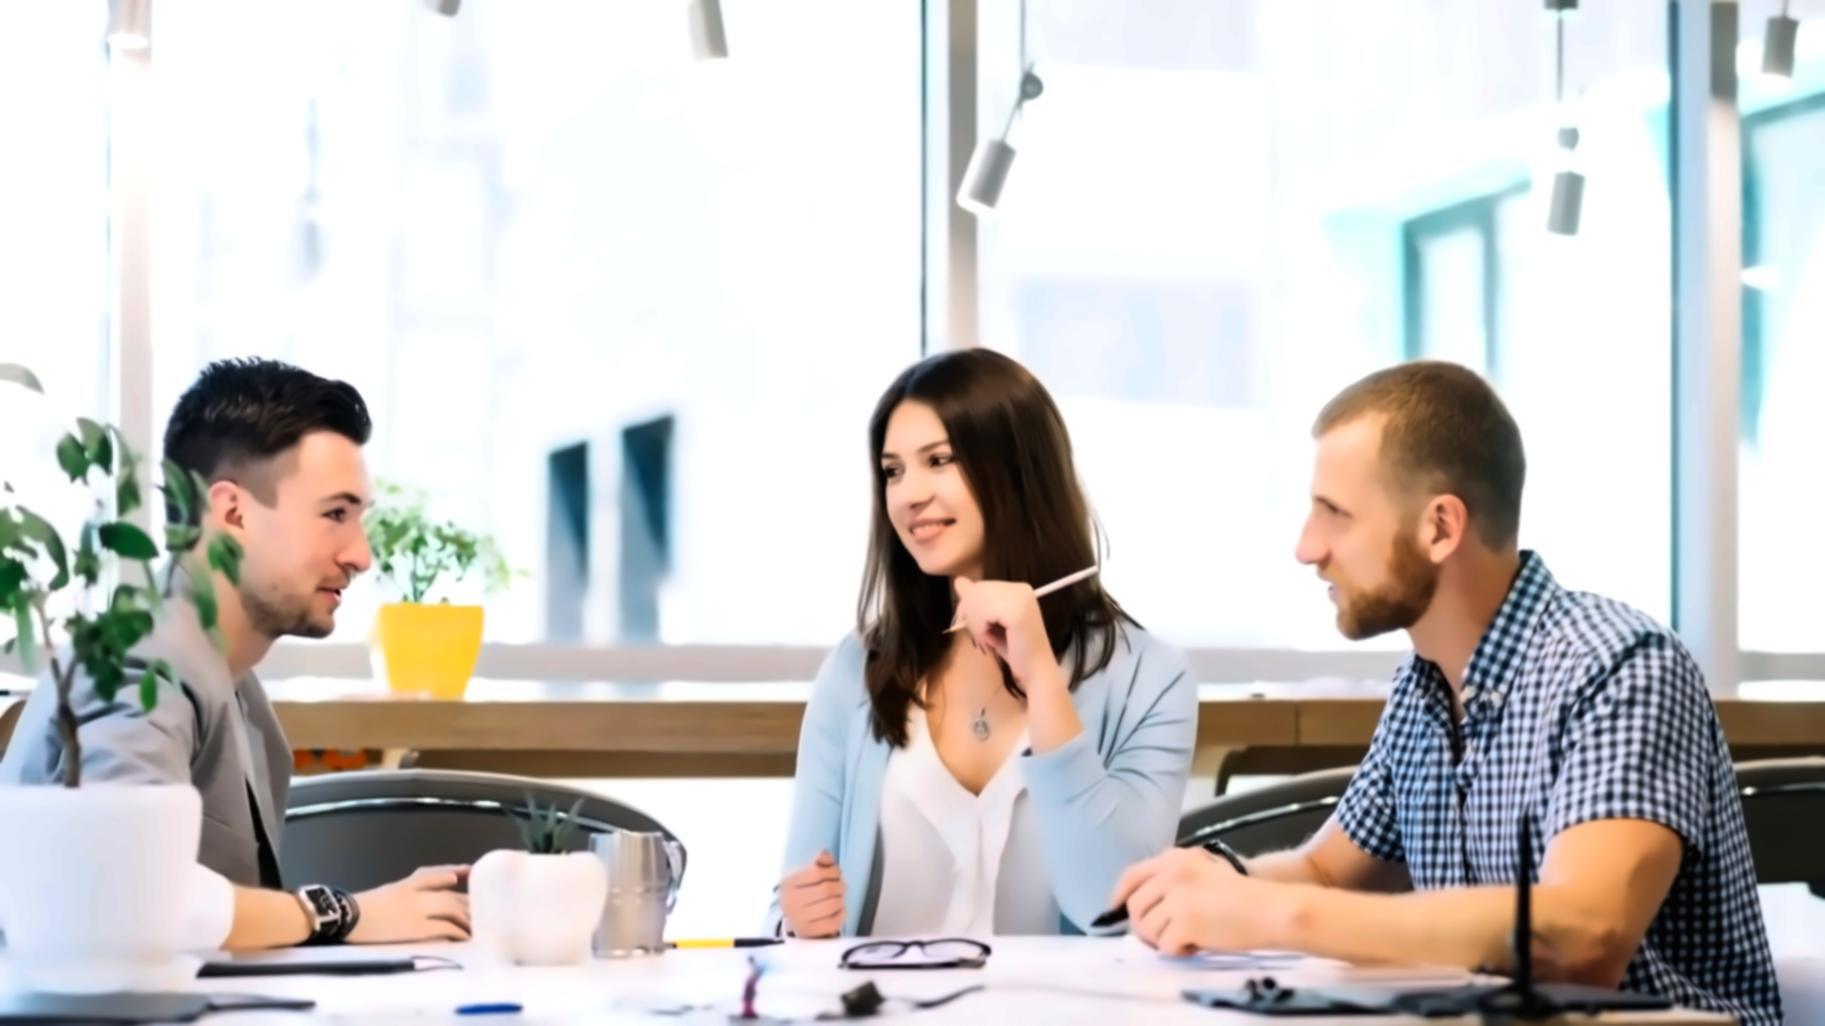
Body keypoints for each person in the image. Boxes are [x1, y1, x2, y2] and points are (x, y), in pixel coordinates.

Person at [1109, 361, 1780, 1025]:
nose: (1306, 548)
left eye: (1334, 513)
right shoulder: (1423, 684)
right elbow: (1324, 874)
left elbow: (1583, 936)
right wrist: (1216, 886)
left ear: (1439, 527)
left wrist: (1271, 915)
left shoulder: (1619, 666)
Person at [1, 358, 469, 951]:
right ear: (232, 512)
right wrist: (341, 915)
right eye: (334, 515)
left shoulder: (232, 683)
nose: (360, 555)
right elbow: (124, 892)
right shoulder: (140, 659)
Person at [770, 349, 1198, 939]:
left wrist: (1042, 676)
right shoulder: (855, 671)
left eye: (938, 461)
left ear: (1019, 471)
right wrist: (796, 920)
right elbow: (790, 910)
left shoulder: (1151, 680)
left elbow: (1113, 909)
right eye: (893, 471)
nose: (908, 494)